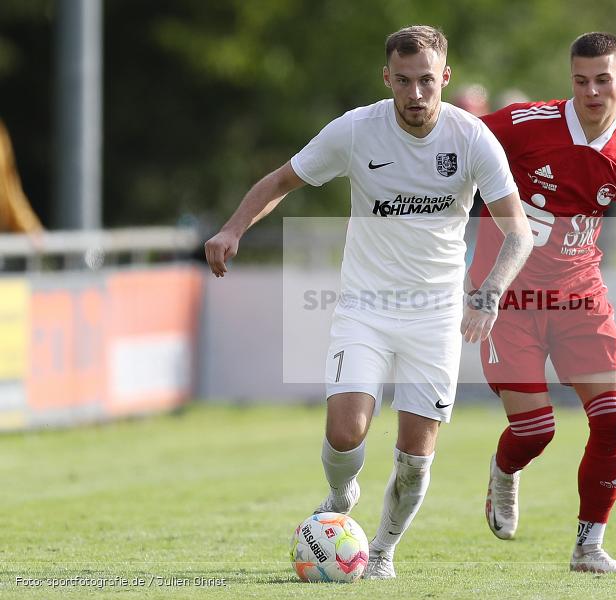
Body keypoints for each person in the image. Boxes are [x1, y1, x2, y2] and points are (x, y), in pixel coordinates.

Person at [204, 25, 532, 580]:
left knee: (415, 457)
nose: (415, 93)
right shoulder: (356, 130)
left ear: (445, 77)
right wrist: (233, 228)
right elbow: (281, 181)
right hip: (366, 306)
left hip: (435, 315)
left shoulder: (472, 138)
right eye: (403, 81)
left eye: (426, 81)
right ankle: (341, 494)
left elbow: (518, 231)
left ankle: (381, 552)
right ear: (387, 78)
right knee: (345, 430)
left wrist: (490, 292)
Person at [467, 32, 616, 575]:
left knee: (614, 419)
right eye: (581, 81)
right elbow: (460, 144)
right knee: (536, 432)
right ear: (570, 80)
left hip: (579, 298)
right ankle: (505, 469)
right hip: (510, 299)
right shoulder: (526, 125)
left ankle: (589, 547)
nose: (592, 91)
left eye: (603, 80)